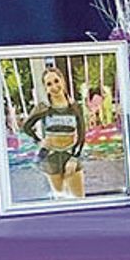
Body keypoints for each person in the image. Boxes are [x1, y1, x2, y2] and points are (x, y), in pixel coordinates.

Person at [21, 66, 86, 198]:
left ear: (62, 81)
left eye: (56, 81)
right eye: (49, 84)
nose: (54, 86)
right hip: (51, 157)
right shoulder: (44, 108)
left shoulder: (75, 107)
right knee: (60, 199)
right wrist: (39, 141)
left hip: (70, 154)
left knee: (79, 200)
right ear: (46, 88)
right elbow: (26, 127)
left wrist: (74, 158)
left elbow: (82, 134)